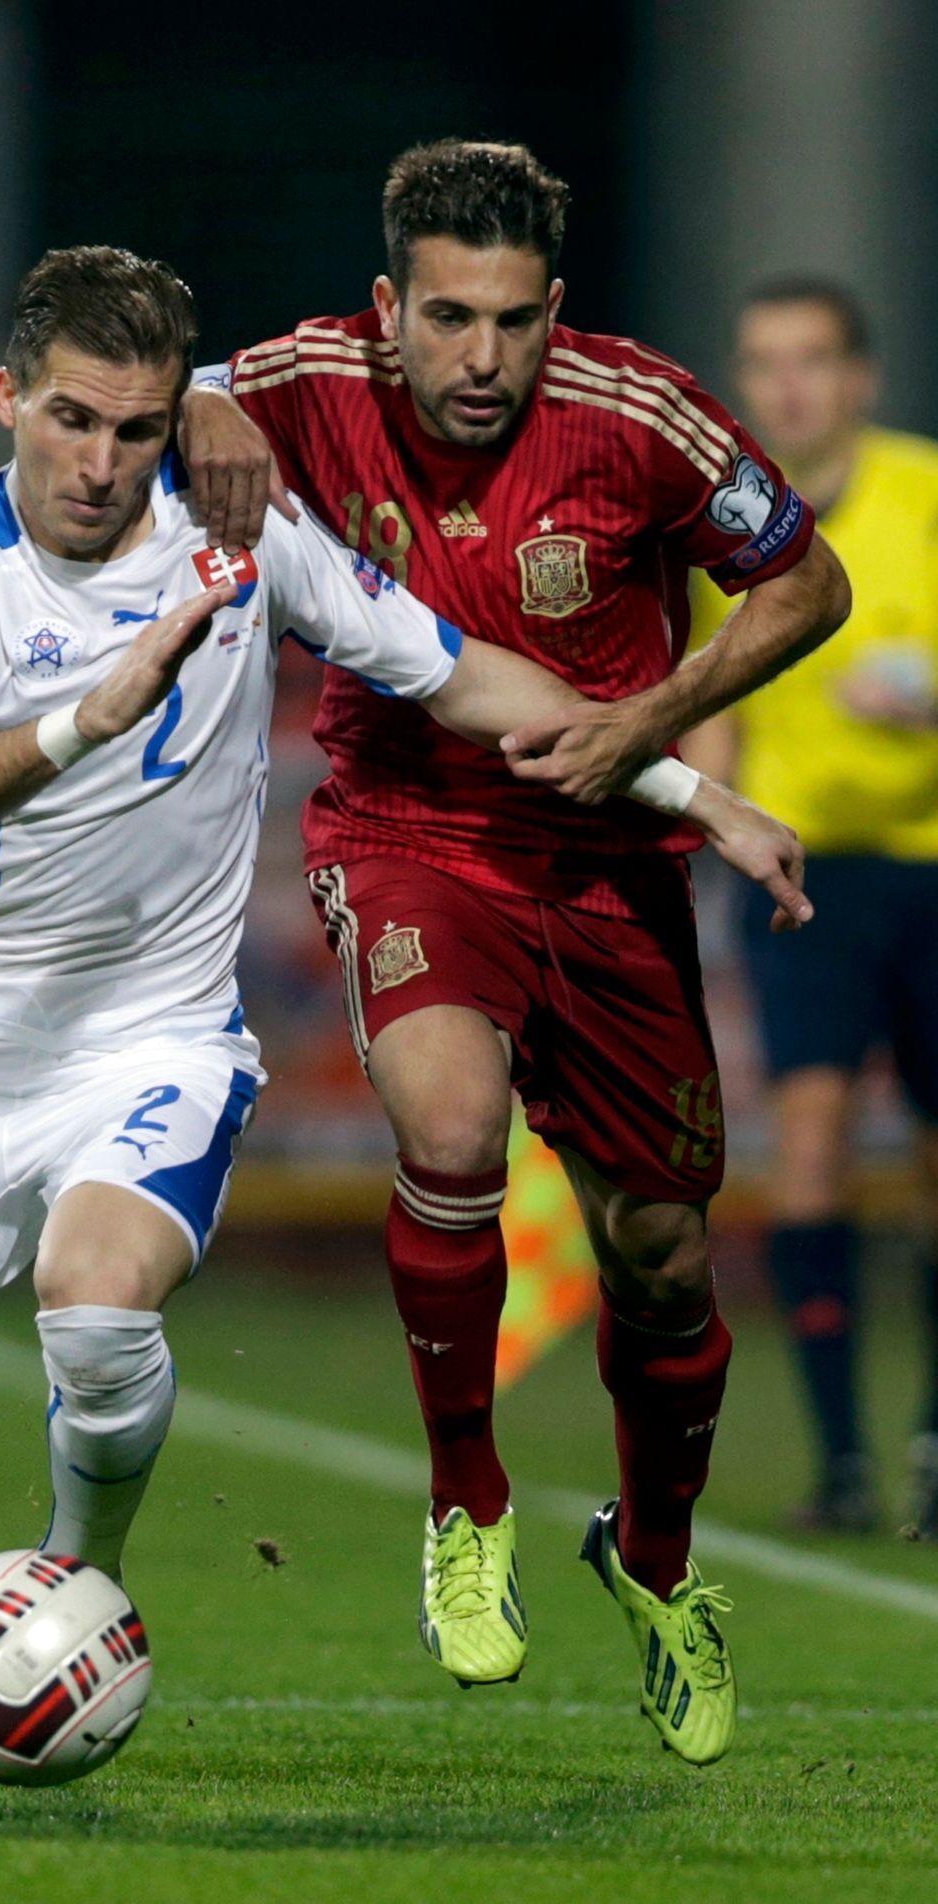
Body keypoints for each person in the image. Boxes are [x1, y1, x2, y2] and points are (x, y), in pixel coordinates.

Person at [0, 244, 806, 1780]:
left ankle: (76, 1581)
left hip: (155, 1042)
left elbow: (469, 678)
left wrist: (698, 795)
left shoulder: (244, 540)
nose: (101, 463)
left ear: (173, 419)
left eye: (137, 428)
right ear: (8, 400)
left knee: (99, 1306)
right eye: (71, 421)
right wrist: (89, 715)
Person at [180, 139, 851, 1766]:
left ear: (556, 310)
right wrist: (197, 401)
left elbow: (806, 582)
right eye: (448, 318)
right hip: (408, 825)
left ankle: (656, 1561)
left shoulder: (641, 415)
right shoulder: (307, 381)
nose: (480, 357)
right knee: (452, 1126)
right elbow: (148, 386)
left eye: (513, 320)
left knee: (662, 1254)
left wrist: (652, 717)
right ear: (385, 306)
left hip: (612, 858)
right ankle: (465, 1499)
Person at [685, 280, 938, 1537]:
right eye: (765, 361)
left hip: (933, 868)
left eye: (812, 359)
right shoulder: (727, 523)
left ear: (860, 378)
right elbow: (711, 699)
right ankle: (842, 1463)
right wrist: (706, 825)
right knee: (812, 1145)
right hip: (799, 880)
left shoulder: (925, 494)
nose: (788, 385)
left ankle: (932, 1447)